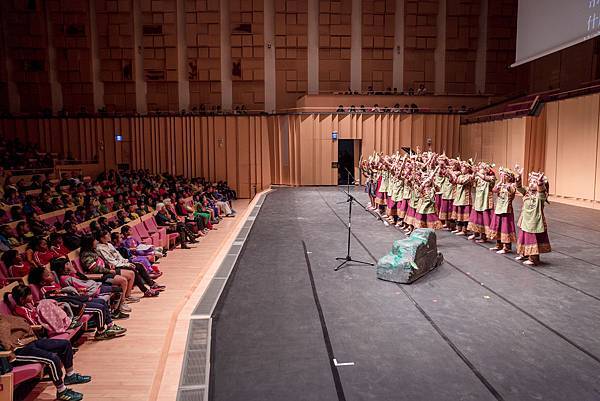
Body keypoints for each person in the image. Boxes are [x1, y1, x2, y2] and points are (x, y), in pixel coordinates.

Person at [0, 313, 90, 401]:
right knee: (52, 359)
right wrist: (9, 352)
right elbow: (4, 340)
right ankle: (62, 391)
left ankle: (70, 375)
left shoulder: (4, 317)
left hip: (27, 341)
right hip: (16, 351)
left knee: (64, 344)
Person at [95, 230, 162, 297]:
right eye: (107, 235)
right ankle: (145, 291)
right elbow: (110, 261)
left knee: (139, 265)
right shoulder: (100, 248)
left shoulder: (109, 244)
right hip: (114, 266)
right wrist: (126, 264)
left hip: (121, 263)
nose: (109, 235)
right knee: (133, 270)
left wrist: (126, 261)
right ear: (101, 238)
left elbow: (118, 255)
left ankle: (152, 284)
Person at [79, 235, 133, 316]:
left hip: (106, 271)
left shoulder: (93, 251)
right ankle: (120, 305)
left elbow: (102, 262)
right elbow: (94, 268)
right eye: (95, 240)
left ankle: (126, 298)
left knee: (131, 273)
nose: (97, 242)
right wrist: (109, 270)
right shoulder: (86, 255)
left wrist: (109, 265)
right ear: (90, 243)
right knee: (123, 280)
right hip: (100, 276)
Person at [515, 170, 552, 265]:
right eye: (530, 181)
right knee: (524, 237)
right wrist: (518, 177)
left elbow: (542, 193)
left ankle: (533, 259)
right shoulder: (527, 192)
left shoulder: (541, 195)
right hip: (525, 220)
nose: (531, 184)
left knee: (532, 239)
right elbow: (519, 188)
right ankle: (524, 254)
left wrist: (540, 184)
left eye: (534, 182)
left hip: (534, 221)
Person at [487, 167, 518, 254]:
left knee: (506, 228)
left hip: (506, 210)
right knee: (498, 226)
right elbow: (494, 190)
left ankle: (506, 247)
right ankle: (498, 245)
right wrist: (500, 182)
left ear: (507, 176)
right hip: (499, 208)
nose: (501, 175)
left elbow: (512, 191)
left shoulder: (512, 185)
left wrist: (507, 186)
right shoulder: (501, 184)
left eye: (502, 174)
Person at [467, 163, 496, 243]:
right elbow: (471, 180)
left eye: (481, 168)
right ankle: (475, 233)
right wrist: (473, 173)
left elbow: (486, 179)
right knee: (476, 217)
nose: (479, 169)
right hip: (478, 201)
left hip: (485, 202)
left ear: (486, 169)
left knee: (484, 219)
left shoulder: (491, 177)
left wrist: (477, 173)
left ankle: (484, 237)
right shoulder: (478, 178)